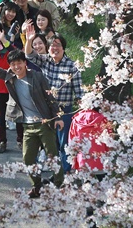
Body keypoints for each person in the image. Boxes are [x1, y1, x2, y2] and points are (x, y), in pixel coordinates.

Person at [0, 47, 64, 198]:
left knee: (52, 157)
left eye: (19, 63)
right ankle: (37, 186)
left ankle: (59, 186)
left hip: (44, 124)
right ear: (10, 66)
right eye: (13, 64)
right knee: (28, 159)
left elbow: (50, 98)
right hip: (27, 126)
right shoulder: (10, 77)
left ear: (25, 63)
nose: (16, 67)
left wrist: (57, 117)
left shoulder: (37, 77)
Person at [25, 26, 83, 172]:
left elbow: (79, 91)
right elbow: (29, 55)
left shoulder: (72, 66)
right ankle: (50, 166)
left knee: (63, 142)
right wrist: (30, 39)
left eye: (58, 45)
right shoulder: (46, 60)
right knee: (47, 140)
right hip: (46, 109)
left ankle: (65, 171)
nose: (54, 48)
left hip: (63, 109)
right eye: (52, 45)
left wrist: (83, 107)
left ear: (63, 48)